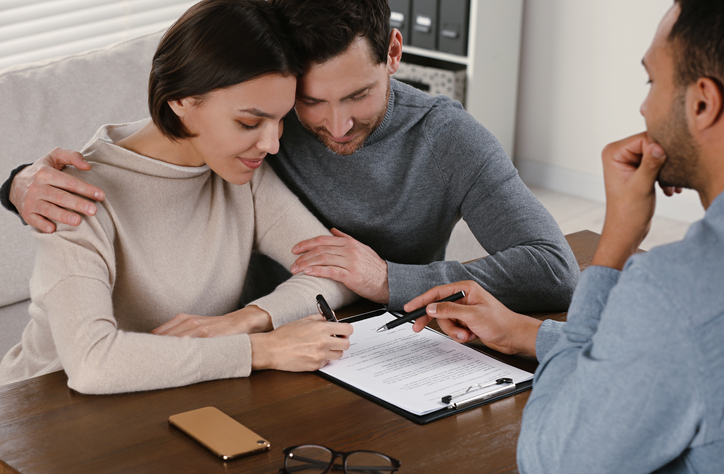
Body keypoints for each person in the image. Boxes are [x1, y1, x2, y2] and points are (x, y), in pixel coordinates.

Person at [1, 0, 579, 319]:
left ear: (394, 54)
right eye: (310, 101)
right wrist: (17, 181)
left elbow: (554, 272)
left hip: (394, 336)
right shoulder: (263, 126)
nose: (336, 125)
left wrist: (387, 279)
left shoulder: (449, 139)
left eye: (358, 95)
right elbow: (150, 147)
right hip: (265, 340)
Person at [406, 1, 724, 474]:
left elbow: (550, 463)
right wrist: (526, 333)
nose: (644, 106)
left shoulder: (675, 294)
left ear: (702, 103)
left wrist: (615, 243)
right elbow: (661, 361)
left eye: (651, 82)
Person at [0, 0, 357, 394]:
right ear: (182, 98)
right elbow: (92, 364)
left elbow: (336, 270)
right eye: (249, 122)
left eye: (280, 120)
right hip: (41, 412)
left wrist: (249, 318)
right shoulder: (73, 193)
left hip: (169, 399)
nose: (271, 144)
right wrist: (260, 350)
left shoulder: (240, 174)